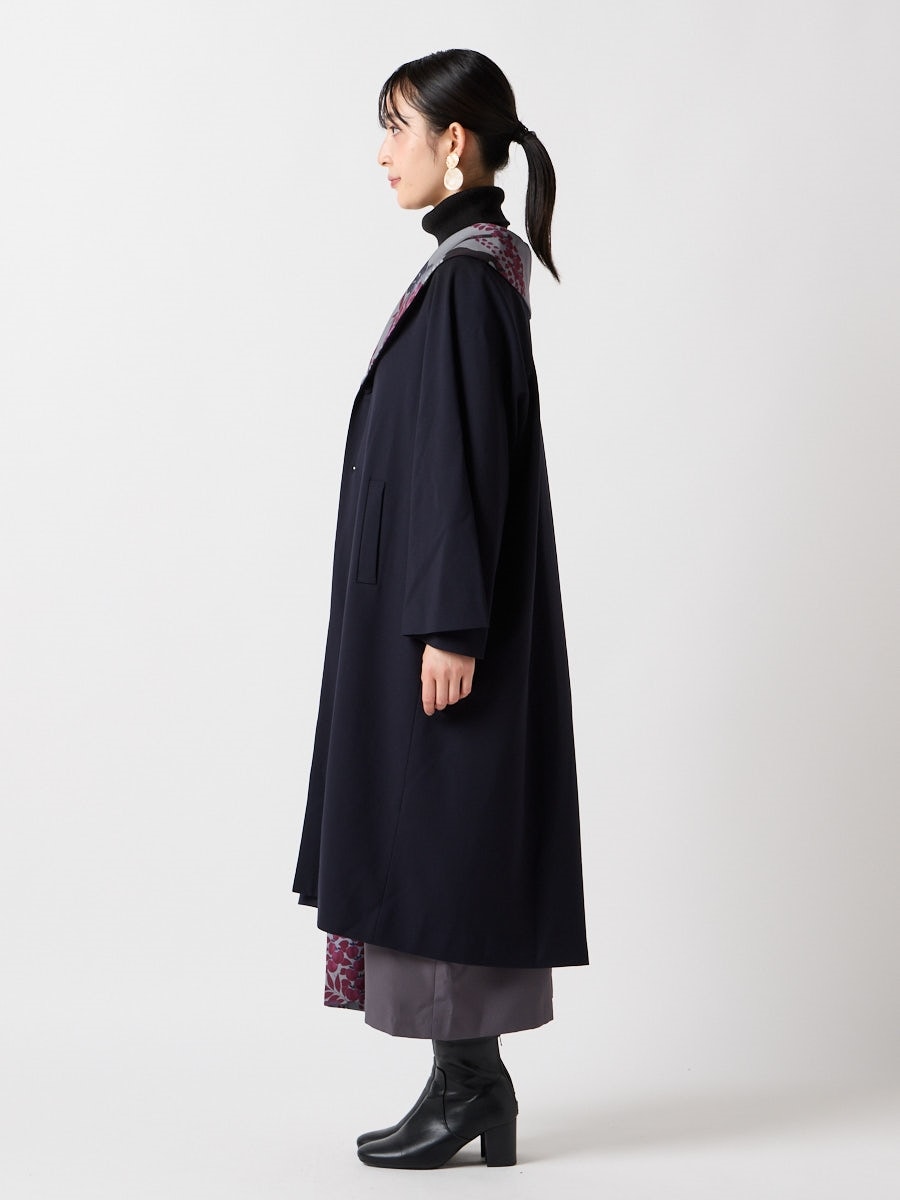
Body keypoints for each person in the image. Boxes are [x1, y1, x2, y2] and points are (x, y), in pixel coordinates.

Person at [291, 48, 588, 1170]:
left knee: (444, 839)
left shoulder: (467, 280)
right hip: (421, 608)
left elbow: (466, 462)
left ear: (453, 142)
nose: (382, 152)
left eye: (396, 127)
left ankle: (470, 1089)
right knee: (434, 834)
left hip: (440, 621)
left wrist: (452, 625)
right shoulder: (469, 268)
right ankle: (469, 1088)